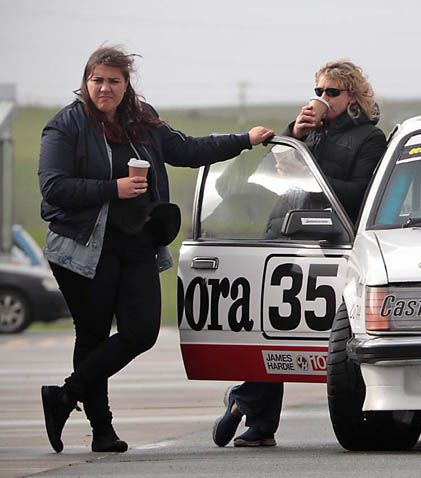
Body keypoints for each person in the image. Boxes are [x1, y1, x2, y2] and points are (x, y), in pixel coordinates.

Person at [38, 46, 274, 453]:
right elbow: (53, 186)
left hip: (138, 242)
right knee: (93, 335)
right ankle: (102, 430)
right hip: (84, 247)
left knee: (141, 332)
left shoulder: (141, 121)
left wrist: (244, 140)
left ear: (126, 84)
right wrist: (113, 189)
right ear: (86, 82)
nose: (105, 88)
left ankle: (64, 395)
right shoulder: (67, 125)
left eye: (113, 81)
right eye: (97, 80)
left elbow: (187, 150)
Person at [212, 59, 385, 448]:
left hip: (328, 242)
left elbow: (362, 192)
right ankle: (260, 423)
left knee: (313, 332)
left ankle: (245, 401)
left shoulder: (370, 139)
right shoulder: (305, 131)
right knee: (271, 328)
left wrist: (309, 170)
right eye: (318, 91)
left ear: (353, 97)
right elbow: (263, 176)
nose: (323, 98)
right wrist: (292, 135)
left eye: (332, 92)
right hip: (283, 230)